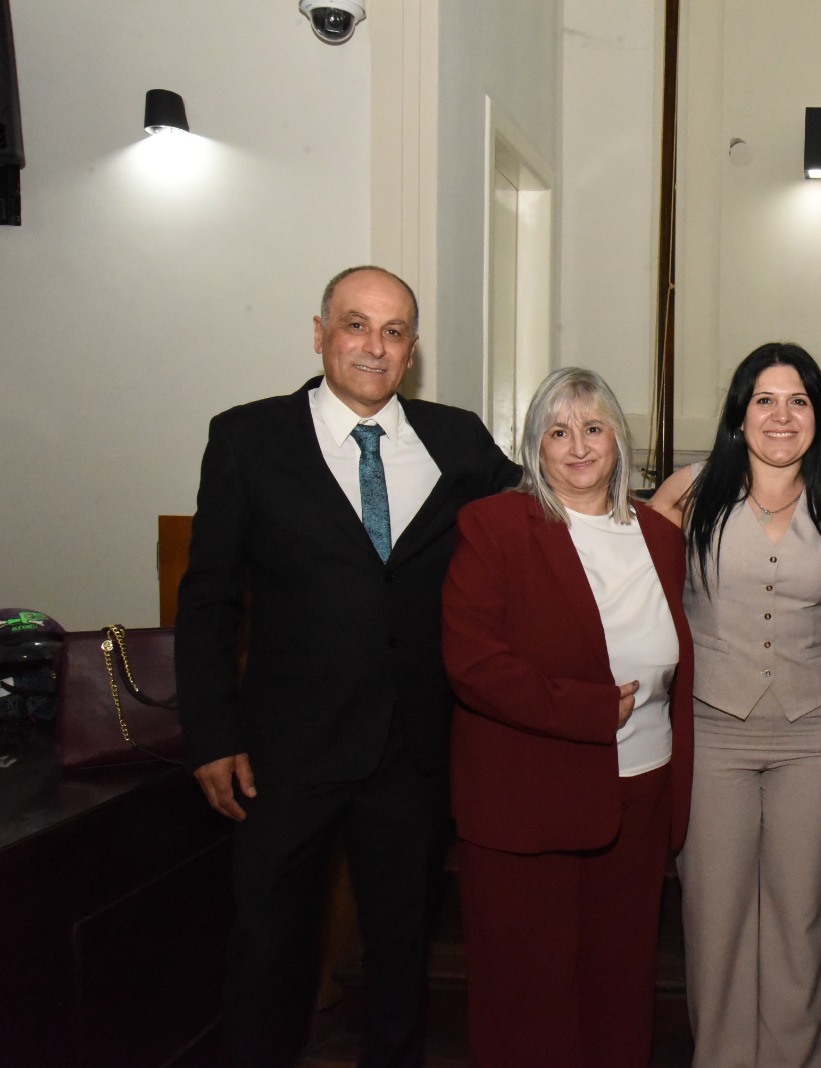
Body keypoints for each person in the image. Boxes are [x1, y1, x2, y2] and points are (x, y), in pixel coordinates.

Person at [176, 265, 520, 1068]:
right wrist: (212, 735)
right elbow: (209, 599)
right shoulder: (248, 438)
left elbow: (547, 511)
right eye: (356, 325)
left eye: (394, 332)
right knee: (268, 948)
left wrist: (654, 508)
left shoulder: (458, 440)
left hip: (410, 750)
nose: (374, 346)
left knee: (401, 952)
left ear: (413, 350)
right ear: (320, 333)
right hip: (283, 753)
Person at [441, 367, 693, 1068]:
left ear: (618, 439)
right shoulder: (495, 527)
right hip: (529, 800)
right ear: (535, 448)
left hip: (641, 793)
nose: (578, 447)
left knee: (620, 985)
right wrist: (589, 708)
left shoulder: (659, 536)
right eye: (558, 432)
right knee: (529, 994)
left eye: (593, 427)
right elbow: (472, 662)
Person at [651, 342, 821, 1068]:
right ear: (739, 413)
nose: (781, 415)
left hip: (814, 740)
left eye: (798, 400)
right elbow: (636, 599)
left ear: (818, 416)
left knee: (803, 919)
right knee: (717, 922)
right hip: (712, 738)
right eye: (765, 399)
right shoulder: (687, 493)